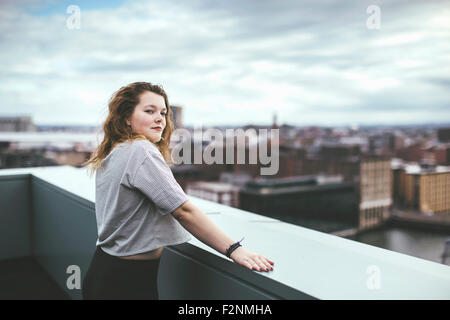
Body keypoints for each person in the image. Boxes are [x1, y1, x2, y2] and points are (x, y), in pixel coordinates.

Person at [81, 82, 274, 300]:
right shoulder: (140, 150)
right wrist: (234, 249)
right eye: (149, 111)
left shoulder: (116, 151)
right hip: (126, 282)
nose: (160, 119)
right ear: (127, 117)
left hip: (106, 271)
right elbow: (183, 210)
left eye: (163, 113)